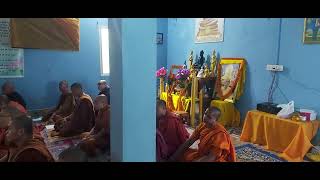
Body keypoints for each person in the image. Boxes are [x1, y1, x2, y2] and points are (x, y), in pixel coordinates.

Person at [169, 107, 236, 162]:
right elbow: (189, 141)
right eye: (205, 114)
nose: (205, 117)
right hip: (202, 154)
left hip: (213, 159)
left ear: (216, 120)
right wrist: (173, 157)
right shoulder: (203, 126)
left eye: (209, 117)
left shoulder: (220, 134)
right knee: (181, 153)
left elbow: (211, 157)